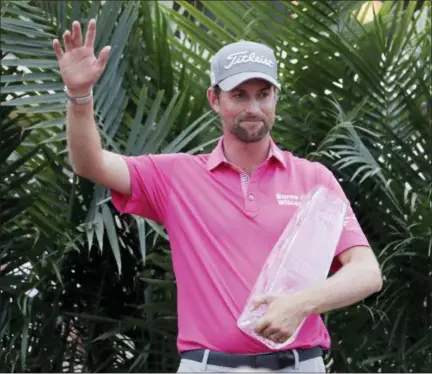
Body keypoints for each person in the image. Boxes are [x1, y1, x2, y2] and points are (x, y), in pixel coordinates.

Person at [53, 19, 383, 373]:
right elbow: (91, 164)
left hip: (298, 364)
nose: (253, 108)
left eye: (263, 94)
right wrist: (80, 97)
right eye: (239, 95)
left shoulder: (313, 178)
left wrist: (301, 304)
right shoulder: (177, 176)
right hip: (210, 366)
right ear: (215, 99)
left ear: (276, 97)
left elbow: (366, 272)